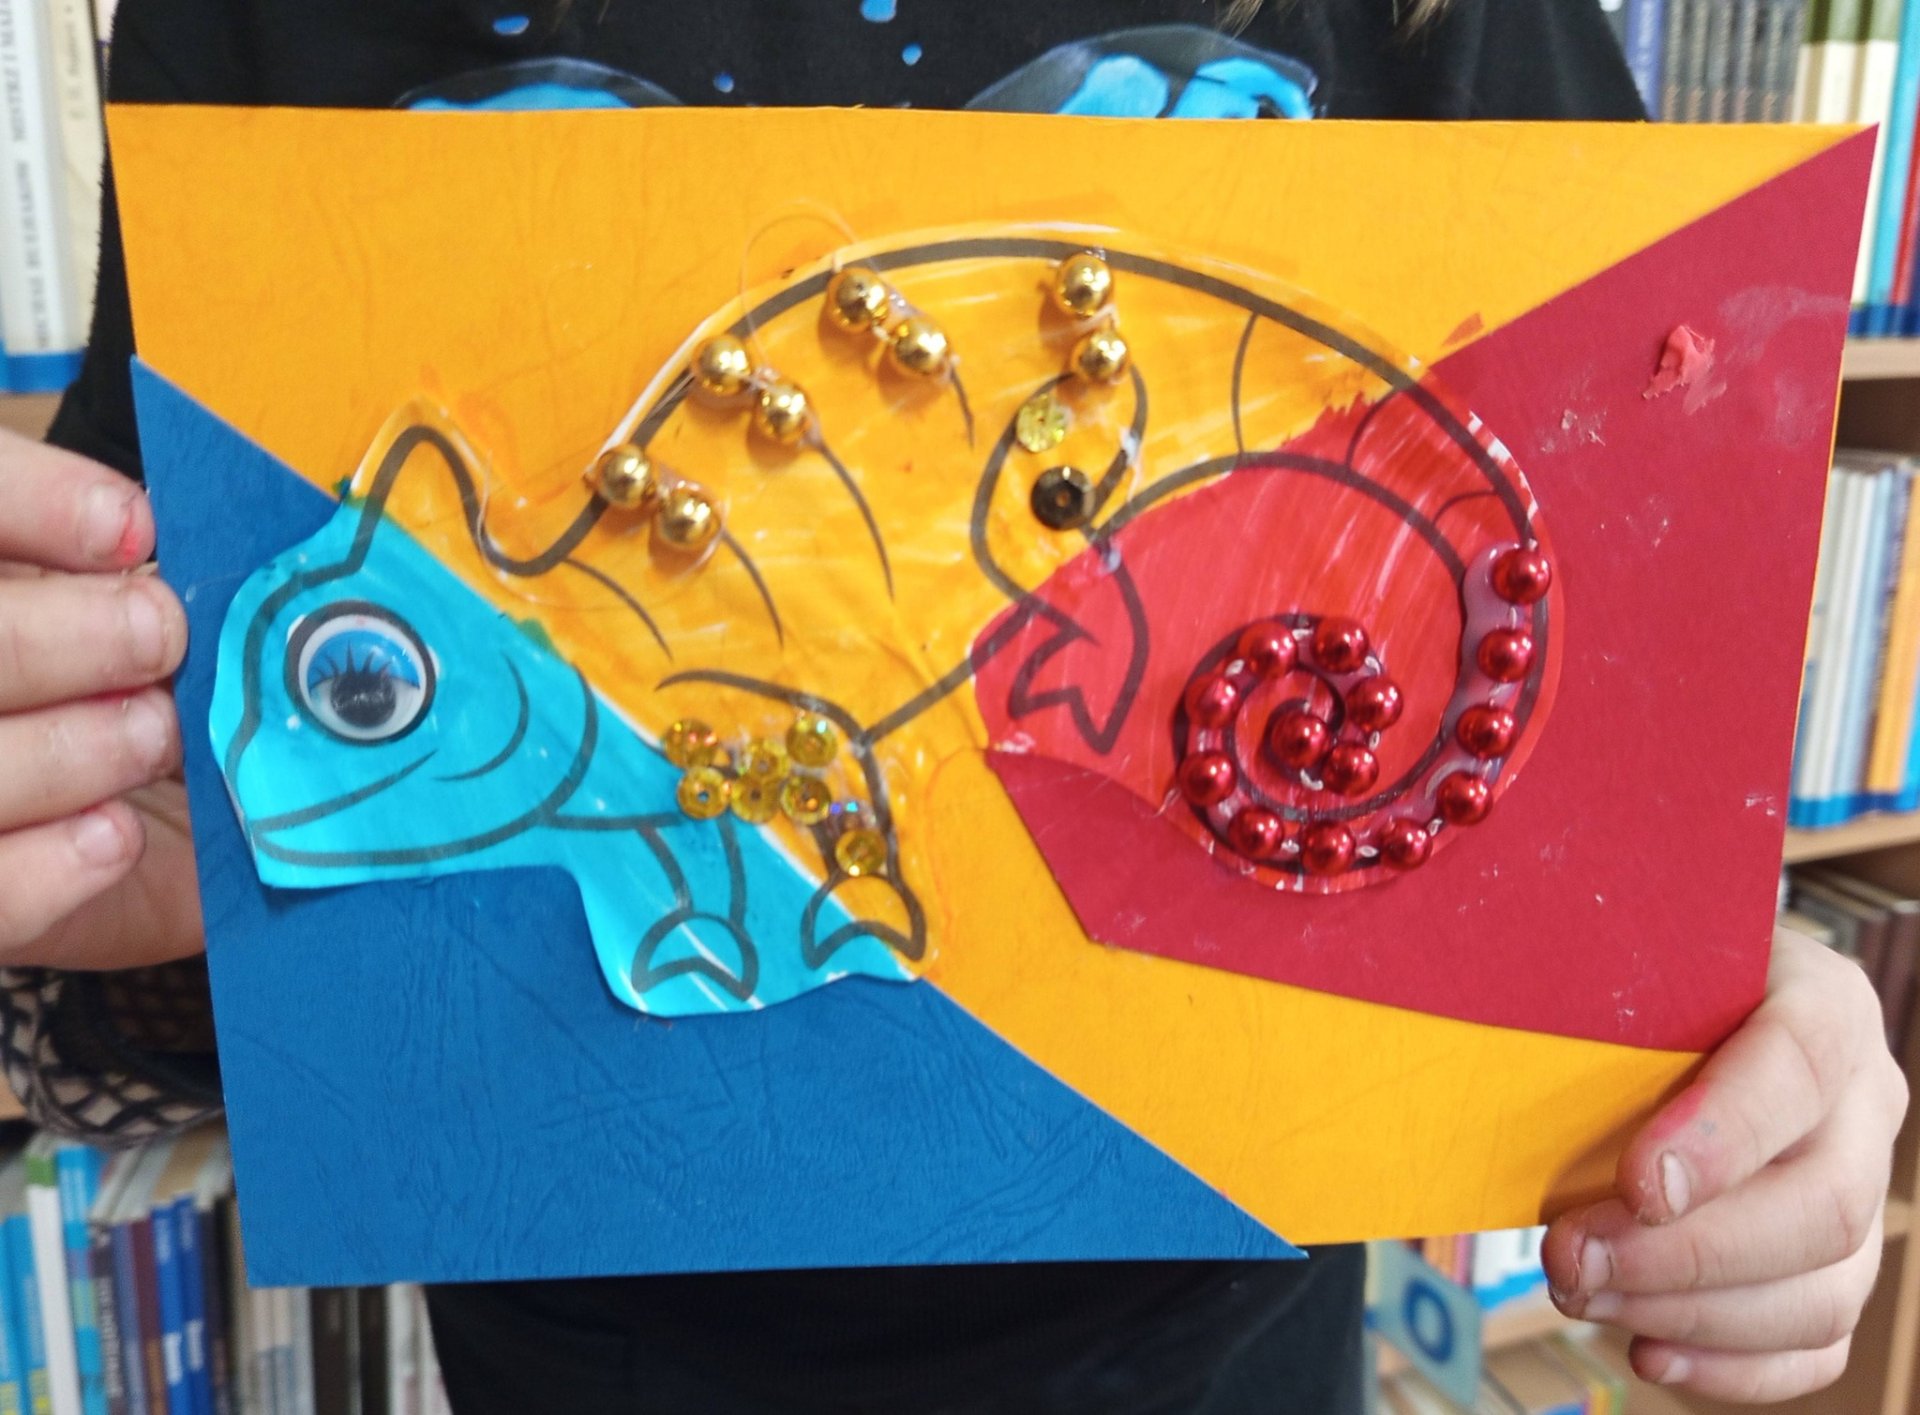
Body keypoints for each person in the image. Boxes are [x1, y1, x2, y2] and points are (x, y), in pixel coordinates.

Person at [0, 1, 1904, 1410]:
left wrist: (1727, 1029)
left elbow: (1597, 609)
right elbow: (166, 802)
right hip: (574, 1337)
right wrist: (113, 841)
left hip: (1218, 1338)